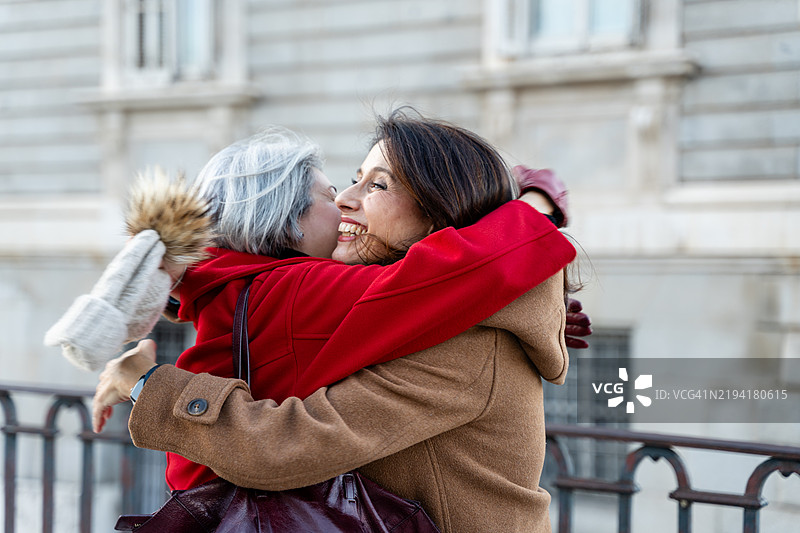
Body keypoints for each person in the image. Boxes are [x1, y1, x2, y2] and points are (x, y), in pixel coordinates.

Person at [95, 110, 587, 532]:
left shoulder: (464, 339)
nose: (346, 198)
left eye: (377, 185)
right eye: (354, 177)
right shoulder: (399, 303)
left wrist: (149, 385)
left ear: (438, 219)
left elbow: (288, 446)